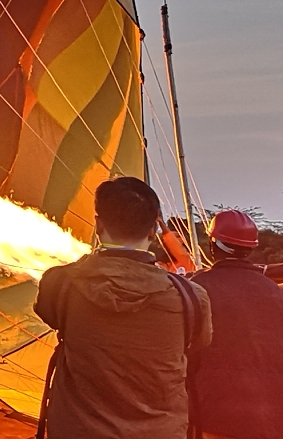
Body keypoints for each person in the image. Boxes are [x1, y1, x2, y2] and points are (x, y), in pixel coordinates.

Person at [36, 177, 212, 439]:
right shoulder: (191, 296)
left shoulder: (60, 284)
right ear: (153, 230)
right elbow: (198, 344)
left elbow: (48, 312)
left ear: (98, 225)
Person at [188, 210, 283, 439]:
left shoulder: (197, 287)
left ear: (212, 244)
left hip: (216, 418)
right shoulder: (275, 292)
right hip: (272, 418)